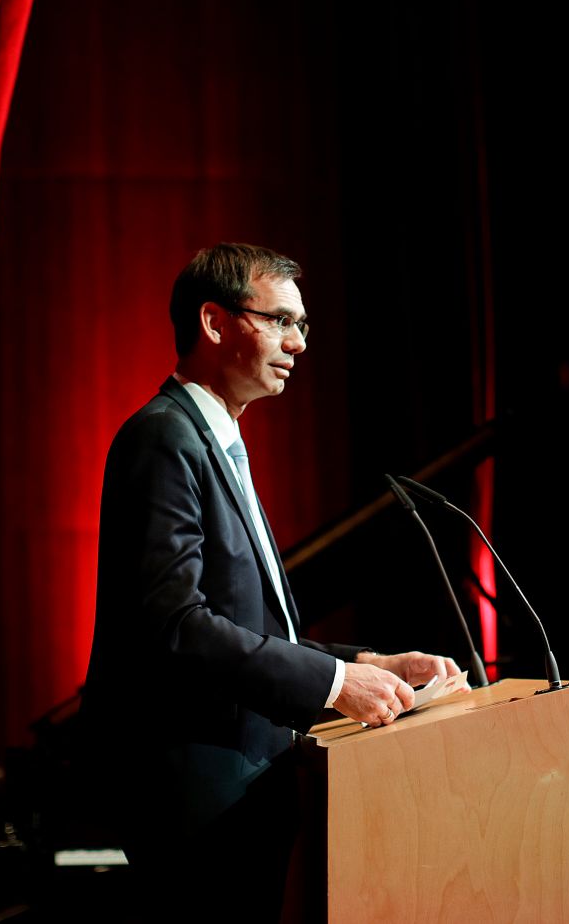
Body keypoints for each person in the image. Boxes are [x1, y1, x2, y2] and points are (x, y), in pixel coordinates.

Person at [82, 242, 465, 919]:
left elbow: (255, 632)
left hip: (243, 782)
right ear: (215, 321)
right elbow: (175, 625)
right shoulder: (163, 438)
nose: (298, 343)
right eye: (282, 321)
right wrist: (339, 685)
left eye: (304, 326)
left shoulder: (219, 441)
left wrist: (368, 663)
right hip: (193, 791)